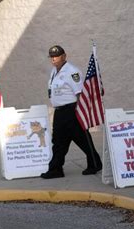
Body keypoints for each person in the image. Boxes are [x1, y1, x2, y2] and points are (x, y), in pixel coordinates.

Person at [41, 45, 102, 179]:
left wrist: (80, 112)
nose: (53, 59)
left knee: (82, 139)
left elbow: (80, 93)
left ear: (64, 56)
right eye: (51, 57)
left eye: (56, 56)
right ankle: (56, 169)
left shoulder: (72, 72)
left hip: (72, 110)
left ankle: (95, 164)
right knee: (58, 142)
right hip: (59, 112)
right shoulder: (54, 71)